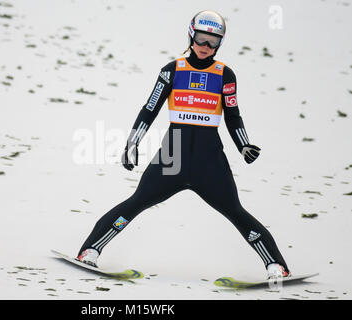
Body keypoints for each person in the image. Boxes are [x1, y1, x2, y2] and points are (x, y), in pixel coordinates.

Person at [77, 10, 290, 279]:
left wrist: (243, 145)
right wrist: (132, 144)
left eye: (213, 42)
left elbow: (233, 115)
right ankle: (89, 252)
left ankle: (276, 267)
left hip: (209, 160)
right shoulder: (172, 70)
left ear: (220, 44)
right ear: (191, 35)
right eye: (201, 39)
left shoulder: (225, 75)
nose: (206, 47)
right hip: (173, 155)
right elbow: (150, 109)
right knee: (136, 203)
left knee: (236, 212)